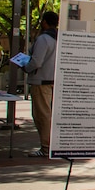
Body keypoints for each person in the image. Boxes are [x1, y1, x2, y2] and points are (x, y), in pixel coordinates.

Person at [24, 11, 59, 158]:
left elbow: (36, 61)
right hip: (54, 80)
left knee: (41, 115)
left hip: (41, 81)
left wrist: (26, 67)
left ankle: (46, 147)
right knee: (49, 115)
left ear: (45, 22)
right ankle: (50, 145)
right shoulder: (59, 38)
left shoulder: (43, 39)